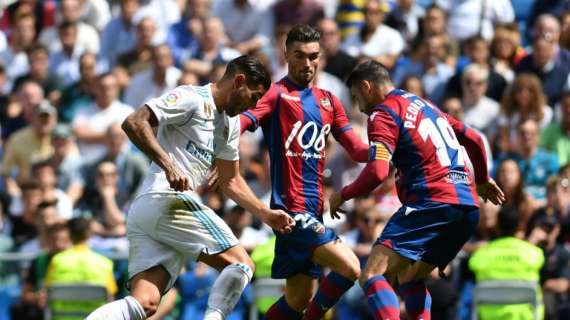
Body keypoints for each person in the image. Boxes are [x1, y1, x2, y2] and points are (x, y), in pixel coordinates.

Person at [86, 55, 295, 320]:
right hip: (166, 199)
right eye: (254, 96)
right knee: (241, 265)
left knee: (146, 304)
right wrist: (169, 165)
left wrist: (266, 215)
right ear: (239, 81)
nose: (253, 105)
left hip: (151, 213)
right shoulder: (192, 97)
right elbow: (134, 122)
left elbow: (230, 181)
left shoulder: (229, 124)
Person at [329, 60, 505, 319]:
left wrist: (343, 194)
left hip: (432, 202)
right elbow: (475, 139)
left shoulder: (382, 113)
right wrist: (482, 179)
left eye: (357, 98)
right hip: (467, 207)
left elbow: (378, 171)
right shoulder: (426, 105)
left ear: (366, 87)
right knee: (409, 277)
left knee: (372, 274)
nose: (360, 108)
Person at [240, 25, 369, 320]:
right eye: (299, 55)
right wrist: (222, 157)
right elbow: (240, 125)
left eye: (313, 56)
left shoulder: (329, 101)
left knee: (299, 299)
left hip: (315, 210)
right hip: (291, 212)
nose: (307, 63)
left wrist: (387, 150)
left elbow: (356, 149)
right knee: (350, 267)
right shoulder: (275, 94)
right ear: (286, 55)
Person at [469, 206, 545, 320]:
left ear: (497, 226)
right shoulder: (534, 253)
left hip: (490, 317)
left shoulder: (481, 254)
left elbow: (472, 265)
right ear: (520, 227)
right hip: (525, 316)